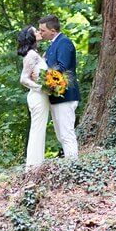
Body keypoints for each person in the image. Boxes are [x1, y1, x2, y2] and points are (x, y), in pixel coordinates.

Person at [38, 14, 80, 160]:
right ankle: (70, 163)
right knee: (60, 134)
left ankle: (73, 166)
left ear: (53, 30)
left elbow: (62, 67)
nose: (40, 33)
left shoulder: (64, 43)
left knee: (66, 133)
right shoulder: (53, 45)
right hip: (56, 95)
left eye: (42, 30)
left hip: (66, 94)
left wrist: (41, 75)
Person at [17, 26, 49, 169]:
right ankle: (33, 166)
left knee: (39, 129)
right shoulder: (30, 55)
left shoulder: (35, 54)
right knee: (37, 130)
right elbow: (23, 79)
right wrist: (40, 87)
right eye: (35, 31)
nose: (39, 33)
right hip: (37, 96)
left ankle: (36, 164)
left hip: (41, 97)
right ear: (31, 37)